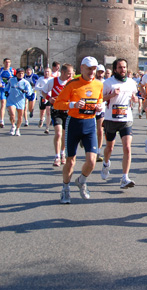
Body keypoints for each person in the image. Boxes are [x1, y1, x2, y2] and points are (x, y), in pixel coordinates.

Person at [54, 57, 104, 204]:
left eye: (94, 69)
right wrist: (73, 104)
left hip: (90, 124)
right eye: (89, 68)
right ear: (81, 68)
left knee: (92, 161)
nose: (92, 71)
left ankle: (82, 180)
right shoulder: (72, 84)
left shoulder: (98, 84)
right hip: (74, 123)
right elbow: (58, 104)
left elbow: (100, 100)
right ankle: (65, 188)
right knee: (70, 161)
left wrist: (100, 107)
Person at [100, 59, 139, 189]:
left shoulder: (132, 83)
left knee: (127, 147)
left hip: (126, 120)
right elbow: (100, 99)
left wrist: (135, 99)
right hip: (111, 119)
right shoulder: (108, 83)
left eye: (124, 67)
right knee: (109, 148)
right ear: (115, 69)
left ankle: (125, 177)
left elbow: (135, 98)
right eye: (120, 67)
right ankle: (106, 163)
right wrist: (111, 95)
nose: (122, 70)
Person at [42, 64, 74, 166]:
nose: (70, 75)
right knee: (59, 133)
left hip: (67, 111)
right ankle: (57, 156)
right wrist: (49, 98)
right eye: (69, 73)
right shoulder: (53, 81)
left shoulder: (71, 82)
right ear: (63, 72)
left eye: (71, 73)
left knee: (64, 135)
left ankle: (62, 153)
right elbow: (43, 91)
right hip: (56, 110)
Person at [5, 68, 33, 136]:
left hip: (20, 101)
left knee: (20, 117)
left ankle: (17, 129)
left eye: (22, 73)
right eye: (19, 73)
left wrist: (25, 91)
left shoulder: (25, 82)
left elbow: (29, 92)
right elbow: (7, 87)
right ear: (16, 74)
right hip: (11, 100)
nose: (20, 75)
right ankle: (13, 126)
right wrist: (6, 92)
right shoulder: (11, 80)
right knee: (12, 114)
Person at [0, 58, 15, 129]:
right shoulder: (0, 70)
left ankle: (12, 122)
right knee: (3, 104)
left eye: (9, 62)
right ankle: (1, 121)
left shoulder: (13, 70)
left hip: (10, 90)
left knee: (10, 106)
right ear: (3, 63)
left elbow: (16, 78)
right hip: (2, 89)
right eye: (6, 62)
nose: (7, 63)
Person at [34, 67, 52, 133]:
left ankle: (47, 128)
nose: (46, 73)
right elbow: (36, 87)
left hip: (50, 97)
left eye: (48, 72)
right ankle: (41, 119)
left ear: (50, 72)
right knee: (42, 111)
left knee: (48, 112)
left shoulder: (52, 79)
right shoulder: (41, 79)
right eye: (45, 71)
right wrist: (43, 88)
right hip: (43, 97)